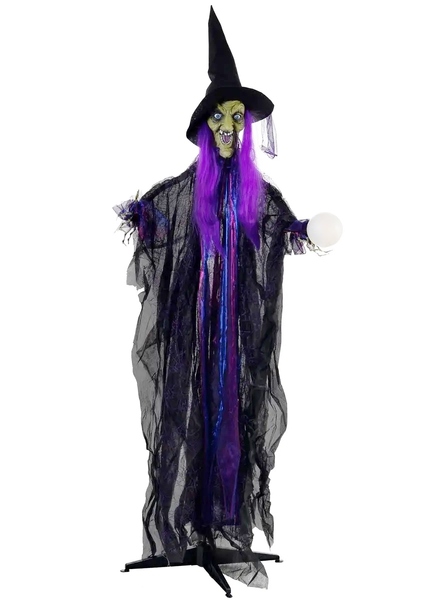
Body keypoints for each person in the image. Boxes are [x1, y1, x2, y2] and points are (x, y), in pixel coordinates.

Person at [113, 6, 341, 590]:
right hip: (190, 336)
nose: (229, 127)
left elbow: (283, 230)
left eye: (238, 118)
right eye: (220, 117)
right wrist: (142, 218)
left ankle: (224, 527)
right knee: (186, 414)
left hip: (235, 339)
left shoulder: (258, 197)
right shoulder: (182, 193)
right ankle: (185, 529)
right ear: (205, 126)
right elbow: (155, 216)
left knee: (234, 414)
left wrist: (305, 231)